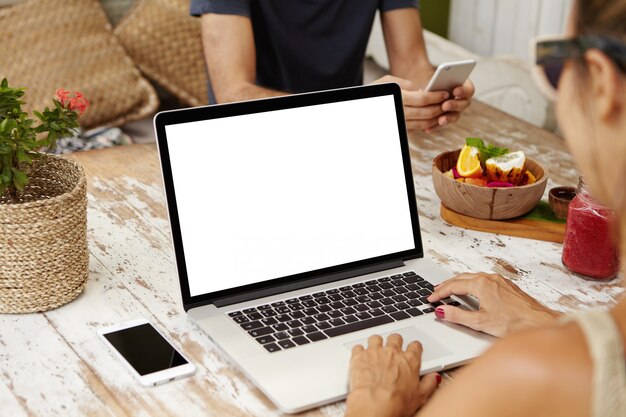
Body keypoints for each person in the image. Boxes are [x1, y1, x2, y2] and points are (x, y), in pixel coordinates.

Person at [346, 0, 626, 416]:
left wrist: (370, 404)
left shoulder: (525, 379)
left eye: (553, 64)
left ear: (600, 83)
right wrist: (549, 323)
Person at [190, 0, 474, 132]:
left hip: (347, 134)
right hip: (252, 136)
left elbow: (412, 65)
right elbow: (232, 94)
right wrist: (358, 108)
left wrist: (441, 90)